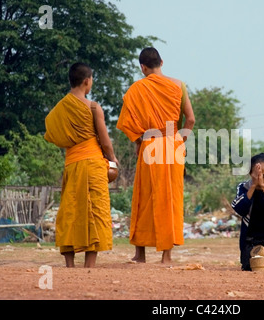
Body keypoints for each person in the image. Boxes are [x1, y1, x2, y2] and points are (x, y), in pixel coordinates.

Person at [116, 47, 195, 264]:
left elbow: (129, 125)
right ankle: (166, 255)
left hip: (149, 145)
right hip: (173, 144)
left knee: (144, 197)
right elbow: (190, 120)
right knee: (169, 198)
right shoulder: (179, 85)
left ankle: (140, 254)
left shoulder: (137, 89)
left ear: (143, 67)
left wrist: (140, 142)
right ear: (162, 61)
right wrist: (179, 142)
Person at [44, 62, 118, 268]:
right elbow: (104, 140)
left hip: (72, 164)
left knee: (70, 211)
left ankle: (69, 264)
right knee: (94, 211)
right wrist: (112, 159)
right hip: (93, 163)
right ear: (87, 81)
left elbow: (51, 131)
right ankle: (90, 265)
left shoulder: (60, 108)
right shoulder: (93, 107)